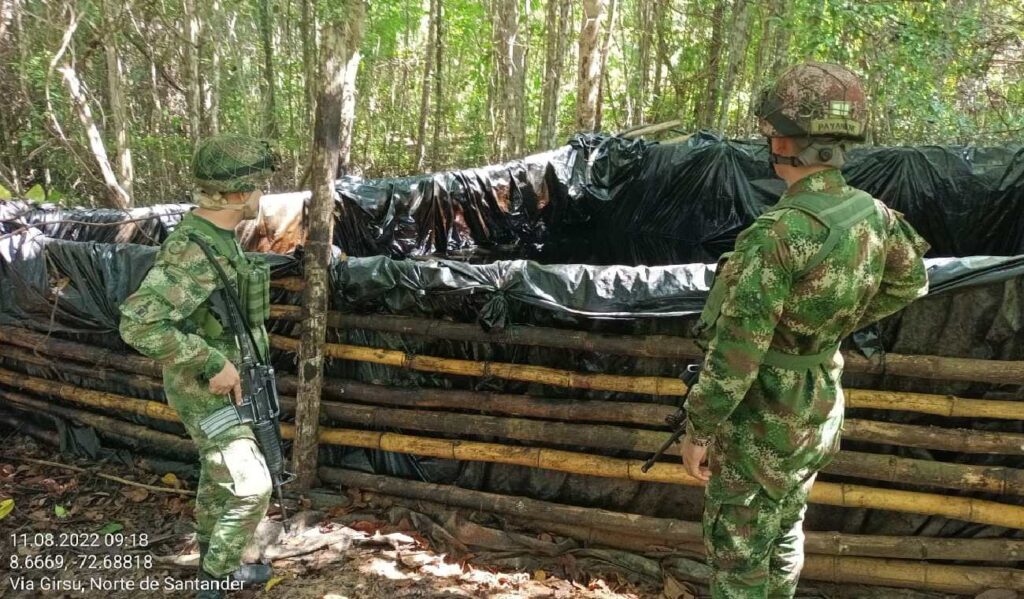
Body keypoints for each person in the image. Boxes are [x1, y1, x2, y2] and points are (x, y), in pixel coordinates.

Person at [680, 62, 930, 598]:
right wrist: (831, 323)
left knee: (739, 549)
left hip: (763, 414)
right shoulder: (876, 216)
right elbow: (911, 283)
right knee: (786, 525)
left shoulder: (776, 234)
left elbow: (737, 355)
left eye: (771, 132)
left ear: (786, 140)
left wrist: (698, 429)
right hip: (817, 402)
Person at [119, 134, 278, 599]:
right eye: (258, 186)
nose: (262, 195)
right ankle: (215, 581)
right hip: (204, 386)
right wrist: (212, 360)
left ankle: (219, 565)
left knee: (218, 477)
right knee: (252, 486)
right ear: (239, 194)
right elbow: (138, 324)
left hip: (227, 382)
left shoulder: (218, 239)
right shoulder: (194, 249)